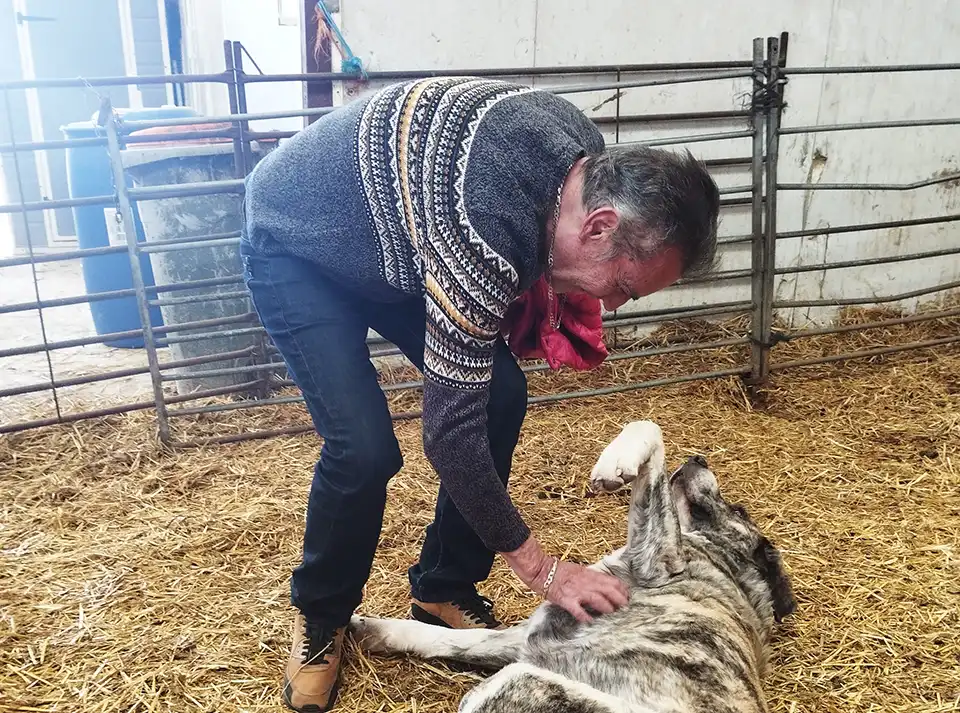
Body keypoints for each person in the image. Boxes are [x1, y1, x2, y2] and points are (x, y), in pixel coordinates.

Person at [239, 76, 720, 712]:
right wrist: (543, 569)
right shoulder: (482, 234)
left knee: (499, 394)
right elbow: (449, 434)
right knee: (363, 448)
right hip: (299, 246)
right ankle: (322, 618)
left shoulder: (582, 156)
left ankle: (442, 584)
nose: (613, 304)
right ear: (599, 225)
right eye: (624, 287)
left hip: (395, 243)